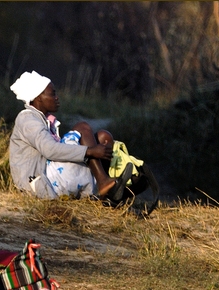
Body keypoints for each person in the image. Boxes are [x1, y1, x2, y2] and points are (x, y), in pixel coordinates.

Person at [8, 70, 130, 202]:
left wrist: (91, 151)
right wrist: (90, 151)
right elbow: (50, 150)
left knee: (102, 137)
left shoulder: (44, 119)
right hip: (39, 182)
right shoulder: (27, 119)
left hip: (52, 175)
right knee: (82, 128)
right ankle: (102, 182)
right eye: (52, 94)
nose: (57, 98)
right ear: (38, 98)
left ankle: (107, 189)